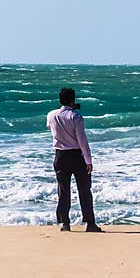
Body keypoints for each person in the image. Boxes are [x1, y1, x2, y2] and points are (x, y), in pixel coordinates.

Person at [46, 87, 103, 232]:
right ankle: (90, 223)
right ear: (73, 100)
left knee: (63, 190)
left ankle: (65, 222)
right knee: (84, 190)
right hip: (76, 156)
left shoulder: (51, 115)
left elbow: (50, 128)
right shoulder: (76, 117)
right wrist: (88, 160)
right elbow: (82, 140)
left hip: (60, 155)